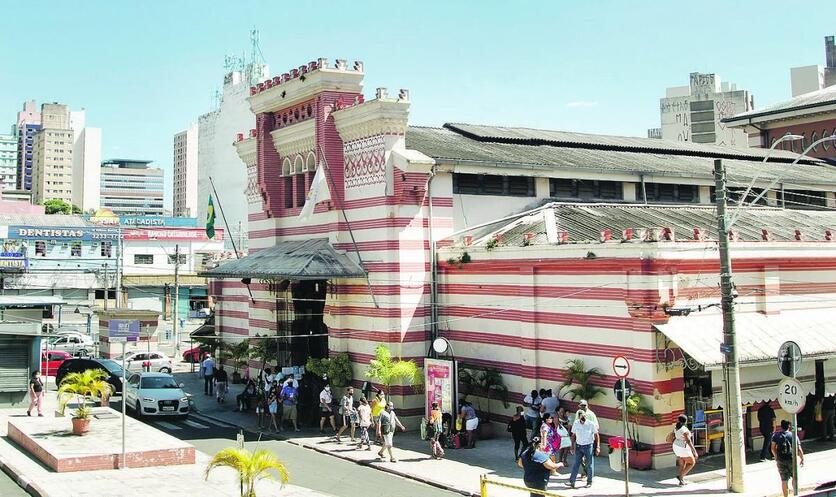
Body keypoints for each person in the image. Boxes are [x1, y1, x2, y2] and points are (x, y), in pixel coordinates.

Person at [565, 409, 600, 489]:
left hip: (588, 446)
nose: (583, 418)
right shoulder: (576, 423)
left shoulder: (591, 424)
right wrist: (572, 447)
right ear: (579, 417)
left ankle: (589, 482)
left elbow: (596, 435)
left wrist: (598, 446)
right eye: (581, 417)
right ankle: (572, 481)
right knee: (576, 464)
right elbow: (573, 435)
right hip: (579, 446)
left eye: (584, 416)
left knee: (589, 465)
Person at [771, 420, 804, 497]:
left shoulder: (776, 435)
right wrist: (802, 458)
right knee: (794, 477)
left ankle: (786, 496)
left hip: (780, 460)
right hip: (792, 459)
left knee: (784, 480)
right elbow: (799, 449)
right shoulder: (793, 435)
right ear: (789, 426)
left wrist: (776, 456)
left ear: (781, 426)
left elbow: (772, 448)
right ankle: (795, 494)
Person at [671, 414, 698, 485]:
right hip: (682, 447)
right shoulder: (684, 429)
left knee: (682, 464)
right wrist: (694, 451)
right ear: (685, 421)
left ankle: (681, 481)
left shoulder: (676, 427)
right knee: (692, 462)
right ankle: (681, 476)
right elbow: (688, 440)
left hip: (675, 446)